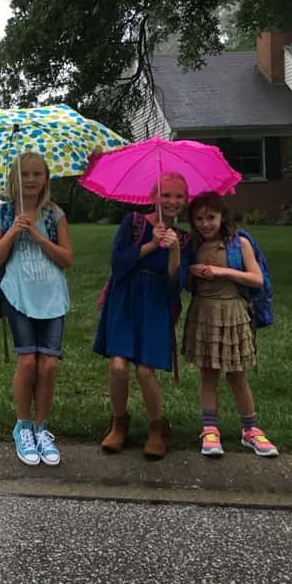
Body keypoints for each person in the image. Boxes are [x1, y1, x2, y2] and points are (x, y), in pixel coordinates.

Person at [0, 153, 73, 466]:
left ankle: (41, 427)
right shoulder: (3, 214)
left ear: (46, 179)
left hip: (51, 295)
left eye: (38, 174)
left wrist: (38, 236)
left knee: (48, 365)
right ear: (15, 179)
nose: (32, 179)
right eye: (25, 174)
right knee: (27, 363)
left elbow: (67, 259)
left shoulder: (54, 214)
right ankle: (23, 427)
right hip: (18, 294)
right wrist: (13, 232)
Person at [93, 172, 187, 460]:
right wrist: (149, 244)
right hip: (125, 298)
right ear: (153, 197)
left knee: (145, 370)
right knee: (119, 366)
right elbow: (118, 263)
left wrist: (173, 251)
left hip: (155, 302)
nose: (171, 201)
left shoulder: (183, 238)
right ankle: (118, 422)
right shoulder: (133, 222)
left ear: (185, 200)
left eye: (178, 196)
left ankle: (157, 428)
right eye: (166, 195)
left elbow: (176, 284)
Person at [182, 192, 279, 457]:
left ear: (223, 216)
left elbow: (256, 279)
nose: (205, 223)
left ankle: (250, 429)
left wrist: (222, 272)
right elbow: (184, 283)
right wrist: (192, 271)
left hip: (234, 312)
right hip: (204, 313)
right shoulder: (192, 247)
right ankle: (210, 428)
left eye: (211, 217)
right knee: (208, 373)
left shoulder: (239, 243)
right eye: (199, 218)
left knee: (237, 374)